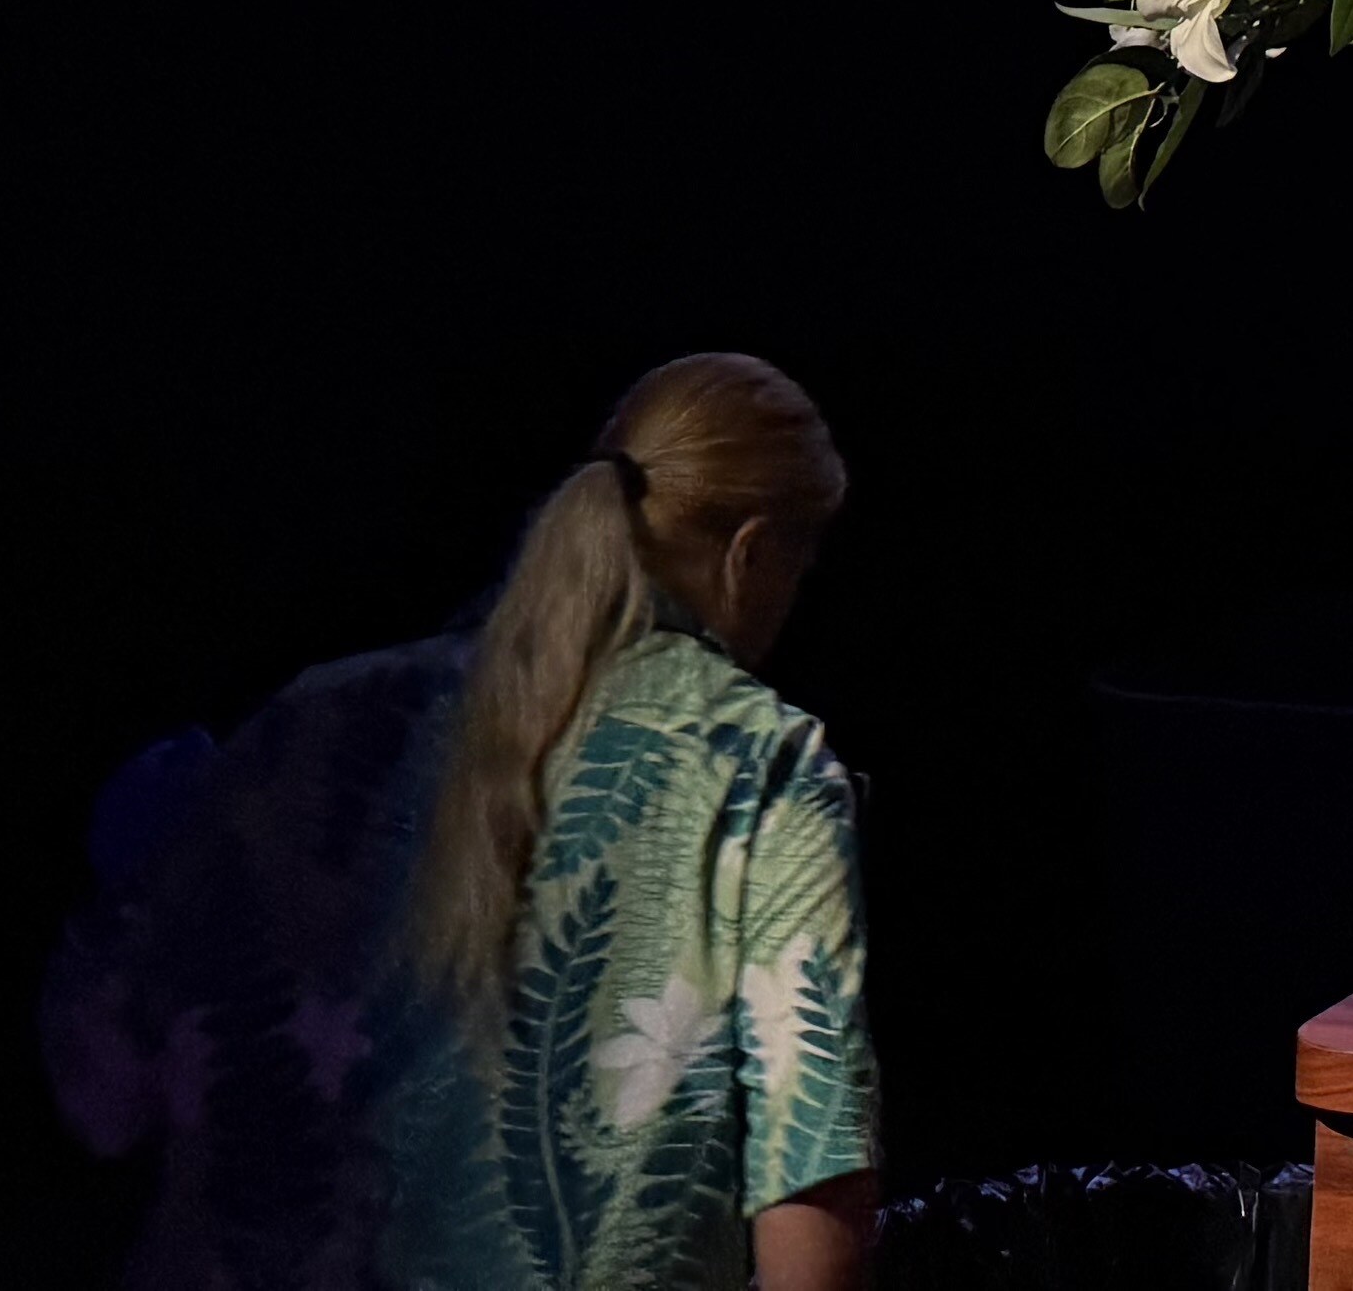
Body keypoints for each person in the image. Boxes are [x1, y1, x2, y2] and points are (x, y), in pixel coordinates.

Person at [43, 352, 874, 1290]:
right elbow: (811, 1175)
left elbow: (100, 1092)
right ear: (752, 550)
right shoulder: (758, 762)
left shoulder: (302, 725)